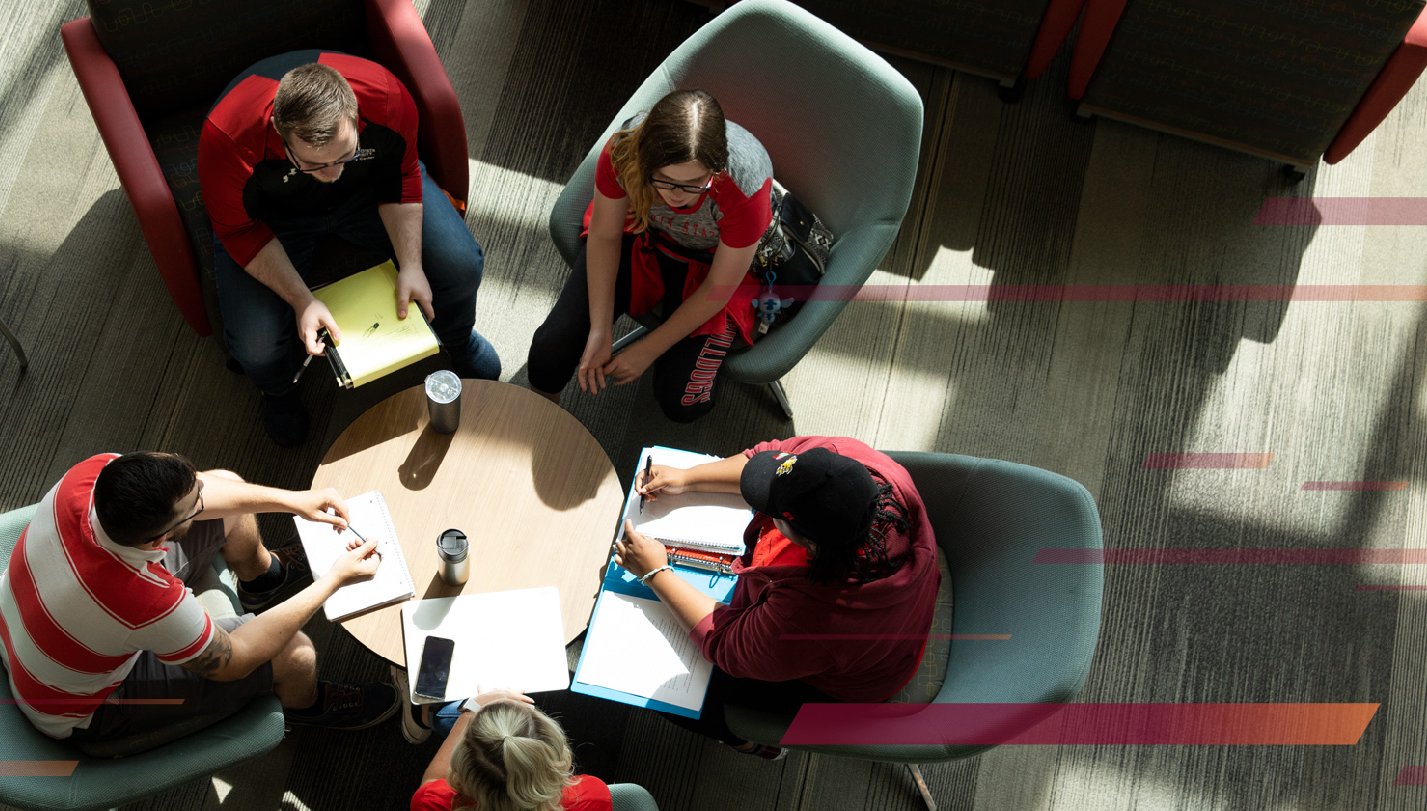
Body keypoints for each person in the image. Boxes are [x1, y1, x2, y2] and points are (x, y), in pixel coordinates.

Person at [0, 451, 401, 757]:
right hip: (78, 707)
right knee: (296, 654)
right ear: (156, 543)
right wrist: (333, 578)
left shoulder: (93, 475)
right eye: (192, 508)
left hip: (20, 617)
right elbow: (236, 659)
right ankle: (305, 705)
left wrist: (294, 499)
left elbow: (205, 484)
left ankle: (264, 579)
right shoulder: (147, 598)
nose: (202, 495)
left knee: (229, 490)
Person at [201, 51, 501, 446]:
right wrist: (302, 300)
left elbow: (401, 170)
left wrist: (411, 264)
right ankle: (280, 391)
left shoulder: (387, 97)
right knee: (255, 344)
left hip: (367, 193)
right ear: (279, 133)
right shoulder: (228, 140)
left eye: (346, 154)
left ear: (355, 114)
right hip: (273, 219)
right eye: (313, 164)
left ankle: (458, 338)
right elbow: (238, 231)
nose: (331, 173)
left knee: (461, 264)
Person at [611, 437, 940, 759]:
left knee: (674, 692)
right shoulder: (855, 463)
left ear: (809, 543)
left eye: (773, 509)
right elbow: (769, 454)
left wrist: (656, 573)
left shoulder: (815, 612)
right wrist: (687, 477)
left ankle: (754, 743)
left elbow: (726, 644)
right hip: (891, 619)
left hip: (855, 683)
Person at [527, 89, 820, 423]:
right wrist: (599, 329)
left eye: (694, 183)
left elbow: (718, 288)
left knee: (682, 401)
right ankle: (543, 421)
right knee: (549, 353)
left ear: (716, 170)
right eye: (663, 180)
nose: (676, 196)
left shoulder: (744, 183)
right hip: (641, 238)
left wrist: (648, 348)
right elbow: (606, 236)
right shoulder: (625, 150)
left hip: (714, 266)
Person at [409, 689, 613, 811]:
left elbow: (431, 782)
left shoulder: (434, 803)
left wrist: (472, 709)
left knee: (439, 714)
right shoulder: (592, 797)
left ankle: (423, 713)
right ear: (558, 755)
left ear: (461, 769)